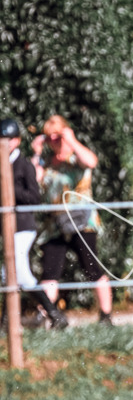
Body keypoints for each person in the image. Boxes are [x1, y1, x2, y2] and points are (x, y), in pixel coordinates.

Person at [32, 115, 113, 326]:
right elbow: (32, 181)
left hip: (82, 222)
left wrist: (71, 140)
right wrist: (36, 152)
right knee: (50, 271)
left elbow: (92, 161)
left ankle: (106, 317)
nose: (54, 142)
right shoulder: (47, 164)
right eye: (50, 138)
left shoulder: (76, 158)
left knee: (92, 268)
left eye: (57, 137)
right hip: (56, 226)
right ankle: (48, 315)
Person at [0, 116, 69, 329]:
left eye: (7, 139)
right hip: (6, 228)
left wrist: (9, 187)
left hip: (23, 227)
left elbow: (34, 198)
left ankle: (54, 314)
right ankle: (7, 323)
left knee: (19, 272)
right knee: (7, 273)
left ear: (17, 141)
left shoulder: (24, 166)